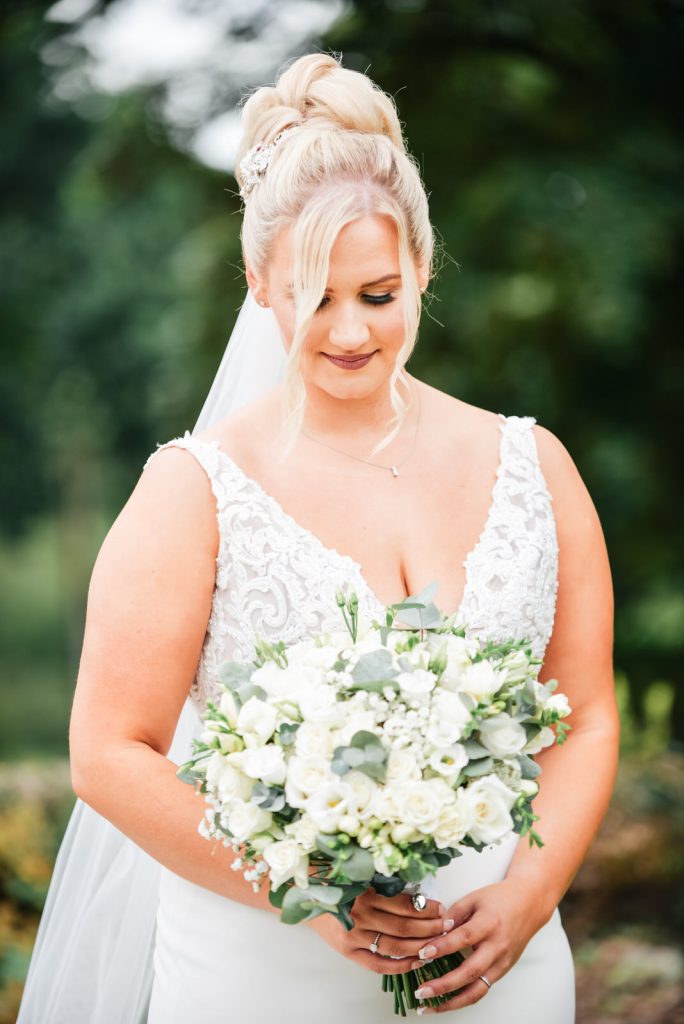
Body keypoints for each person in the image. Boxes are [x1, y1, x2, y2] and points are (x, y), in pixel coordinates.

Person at [17, 52, 618, 1022]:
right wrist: (300, 887)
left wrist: (529, 896)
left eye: (378, 294)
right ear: (260, 284)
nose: (347, 333)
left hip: (497, 969)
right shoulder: (194, 490)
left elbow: (586, 717)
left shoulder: (535, 465)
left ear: (422, 268)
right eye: (313, 295)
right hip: (265, 972)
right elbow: (108, 751)